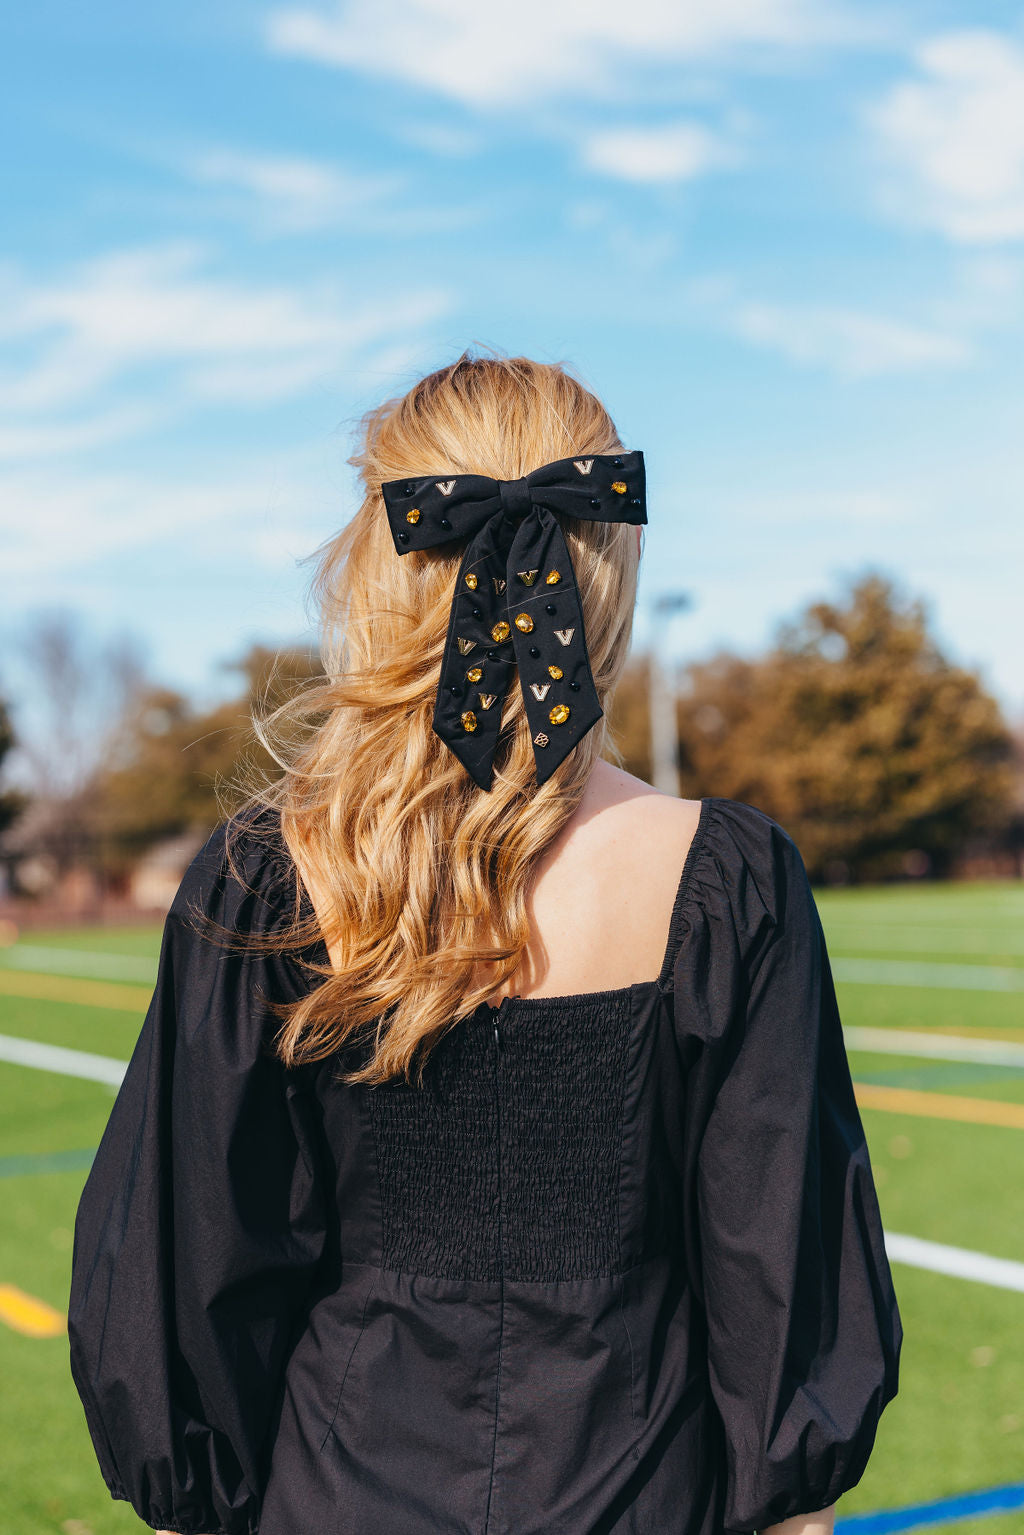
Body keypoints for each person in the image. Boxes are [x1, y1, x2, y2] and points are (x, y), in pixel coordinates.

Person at [68, 351, 902, 1535]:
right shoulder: (723, 876)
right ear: (604, 566)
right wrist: (790, 1497)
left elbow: (197, 1262)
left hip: (337, 1486)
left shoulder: (272, 877)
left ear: (378, 563)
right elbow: (776, 1255)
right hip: (643, 1486)